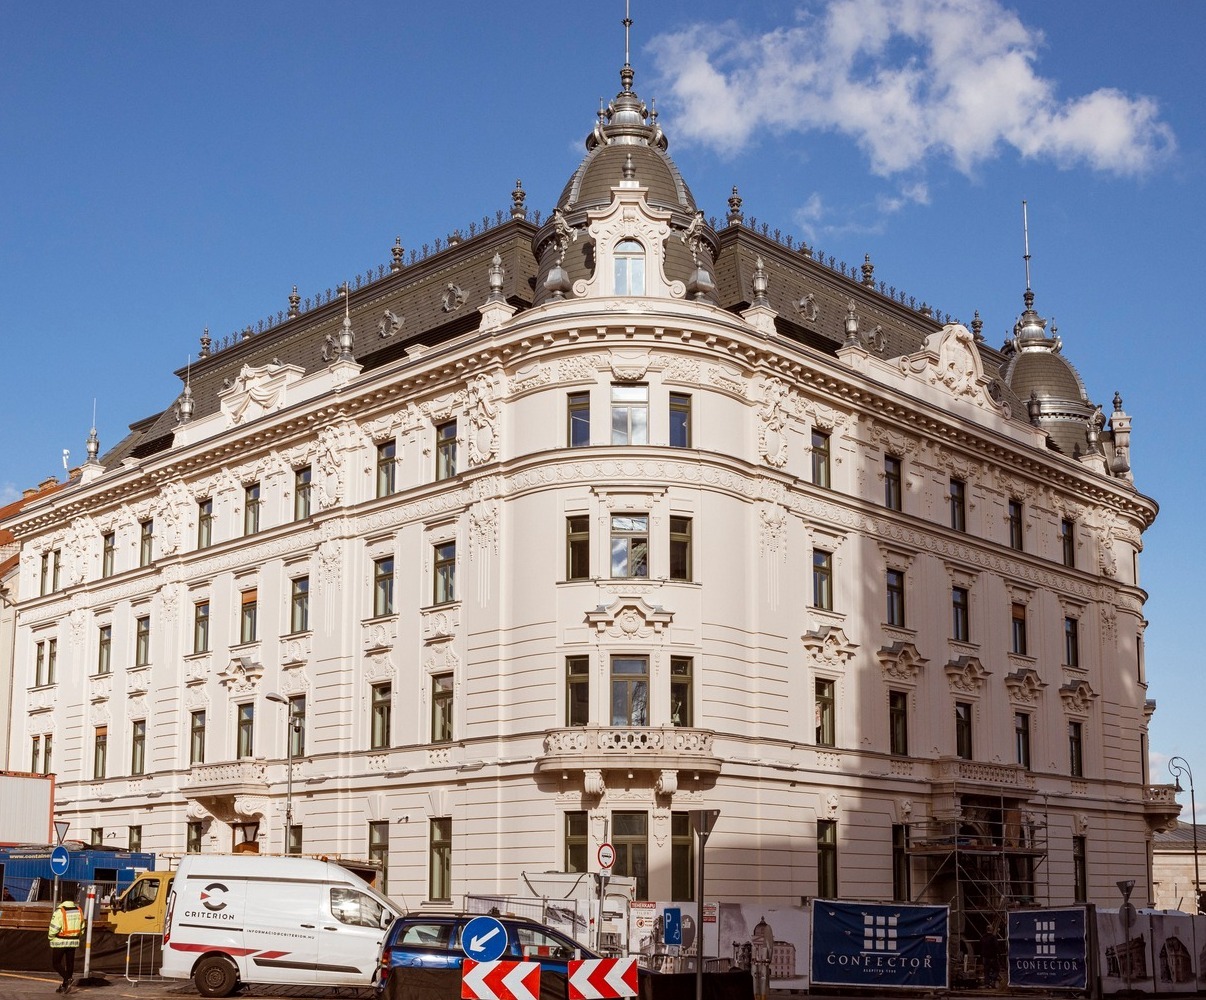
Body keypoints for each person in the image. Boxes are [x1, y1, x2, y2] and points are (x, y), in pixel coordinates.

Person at [48, 898, 83, 994]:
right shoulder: (79, 910)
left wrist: (50, 936)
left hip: (60, 941)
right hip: (73, 941)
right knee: (70, 963)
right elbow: (82, 926)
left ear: (63, 899)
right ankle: (65, 985)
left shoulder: (60, 911)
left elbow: (54, 927)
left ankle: (68, 979)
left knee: (56, 963)